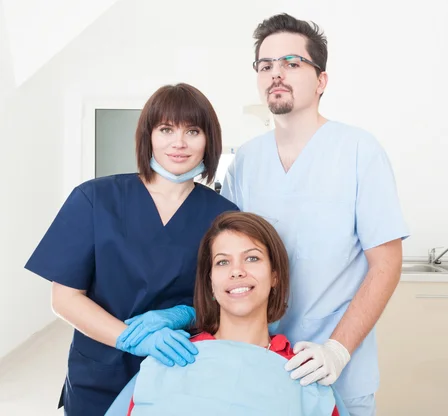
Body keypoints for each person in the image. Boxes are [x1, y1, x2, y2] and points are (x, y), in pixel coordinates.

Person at [220, 13, 410, 416]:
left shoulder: (359, 151)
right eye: (266, 66)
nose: (276, 74)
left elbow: (387, 264)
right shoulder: (246, 162)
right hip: (263, 364)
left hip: (339, 369)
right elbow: (230, 261)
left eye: (291, 63)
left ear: (321, 80)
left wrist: (337, 350)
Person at [24, 83, 239, 415]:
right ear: (148, 136)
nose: (179, 143)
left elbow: (229, 296)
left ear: (209, 140)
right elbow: (64, 298)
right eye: (166, 129)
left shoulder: (224, 216)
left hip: (180, 369)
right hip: (99, 375)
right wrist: (131, 338)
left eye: (193, 131)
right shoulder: (95, 199)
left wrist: (186, 313)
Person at [126, 211, 340, 415]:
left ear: (275, 276)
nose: (237, 271)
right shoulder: (171, 358)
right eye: (223, 262)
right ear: (210, 282)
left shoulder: (304, 373)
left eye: (252, 258)